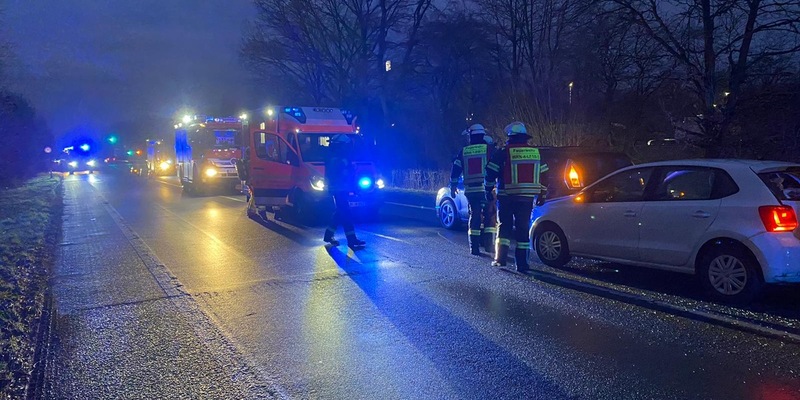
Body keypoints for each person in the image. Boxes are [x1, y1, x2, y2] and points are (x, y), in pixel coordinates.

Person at [484, 122, 548, 273]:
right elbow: (545, 175)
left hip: (506, 197)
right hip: (527, 198)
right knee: (523, 229)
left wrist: (488, 189)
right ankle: (522, 264)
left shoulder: (503, 153)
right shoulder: (536, 153)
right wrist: (543, 194)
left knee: (504, 227)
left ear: (510, 137)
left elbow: (490, 173)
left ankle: (500, 259)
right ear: (525, 137)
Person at [450, 123, 496, 255]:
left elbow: (455, 170)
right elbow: (496, 168)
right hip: (487, 189)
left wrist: (453, 186)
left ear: (471, 136)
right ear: (482, 135)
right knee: (490, 215)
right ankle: (489, 246)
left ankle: (474, 248)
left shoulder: (464, 151)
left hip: (471, 191)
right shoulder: (490, 150)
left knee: (475, 216)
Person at [323, 134, 366, 249]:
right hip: (340, 190)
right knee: (346, 214)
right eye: (346, 146)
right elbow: (343, 176)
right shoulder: (337, 160)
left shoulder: (336, 158)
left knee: (340, 213)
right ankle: (351, 240)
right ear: (341, 146)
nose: (347, 148)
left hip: (340, 190)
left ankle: (329, 235)